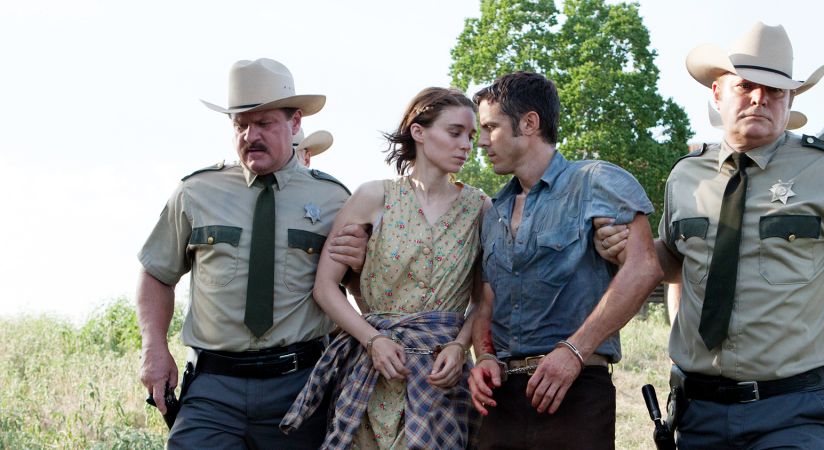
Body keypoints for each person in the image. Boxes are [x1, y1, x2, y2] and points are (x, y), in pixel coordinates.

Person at [595, 22, 824, 448]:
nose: (759, 98)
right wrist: (630, 250)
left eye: (775, 90)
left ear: (790, 101)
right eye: (745, 85)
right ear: (717, 92)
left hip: (792, 410)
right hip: (699, 411)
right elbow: (676, 261)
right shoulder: (685, 176)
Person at [136, 58, 360, 449]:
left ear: (295, 123)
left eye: (264, 123)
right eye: (240, 125)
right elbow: (156, 272)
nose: (250, 135)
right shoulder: (196, 192)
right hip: (213, 388)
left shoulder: (334, 199)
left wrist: (358, 264)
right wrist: (153, 346)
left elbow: (359, 286)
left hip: (301, 387)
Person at [280, 87, 487, 449]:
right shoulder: (373, 196)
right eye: (455, 133)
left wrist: (459, 345)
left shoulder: (479, 207)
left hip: (441, 376)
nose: (466, 145)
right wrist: (373, 340)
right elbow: (325, 288)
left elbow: (484, 298)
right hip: (374, 372)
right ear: (418, 132)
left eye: (470, 136)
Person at [466, 72, 664, 449]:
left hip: (576, 389)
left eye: (491, 127)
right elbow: (485, 301)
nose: (482, 141)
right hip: (501, 399)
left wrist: (574, 352)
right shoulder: (493, 211)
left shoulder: (597, 182)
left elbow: (644, 268)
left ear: (529, 123)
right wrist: (485, 356)